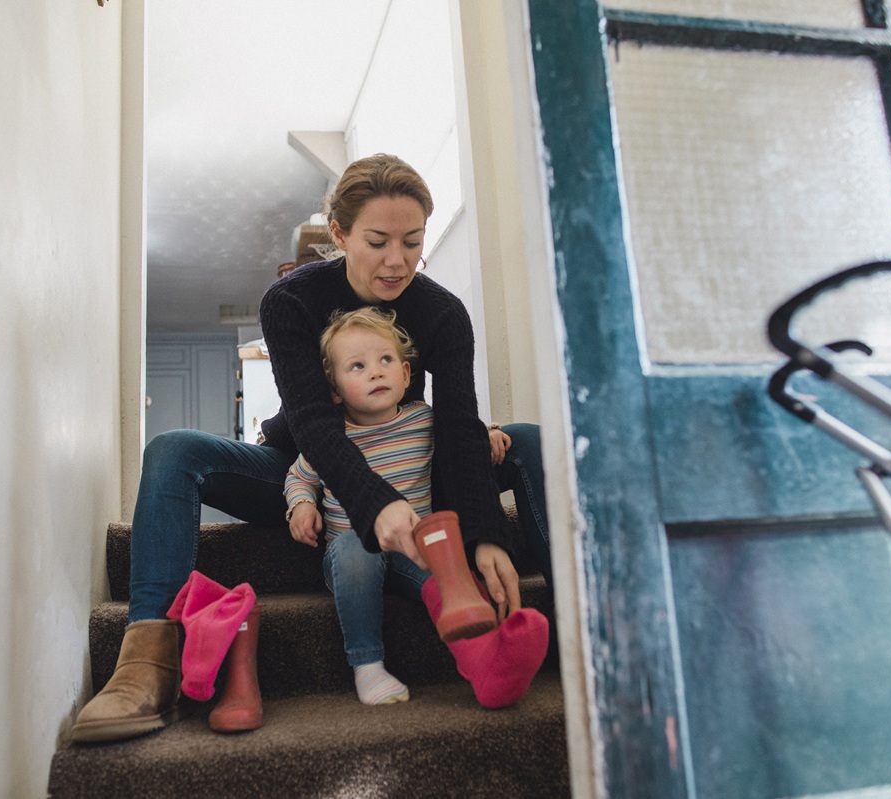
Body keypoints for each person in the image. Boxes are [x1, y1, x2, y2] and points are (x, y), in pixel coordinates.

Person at [70, 153, 551, 741]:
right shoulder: (291, 301)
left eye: (413, 240)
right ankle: (145, 661)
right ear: (342, 233)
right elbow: (315, 425)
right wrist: (373, 505)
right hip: (303, 466)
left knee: (525, 440)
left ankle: (581, 622)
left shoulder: (443, 313)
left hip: (410, 471)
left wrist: (484, 535)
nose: (397, 260)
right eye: (377, 241)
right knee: (172, 450)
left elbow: (453, 426)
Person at [285, 307, 435, 705]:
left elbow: (463, 438)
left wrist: (486, 433)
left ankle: (476, 646)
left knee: (445, 578)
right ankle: (368, 666)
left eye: (386, 360)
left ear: (405, 374)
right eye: (357, 366)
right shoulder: (331, 439)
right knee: (355, 547)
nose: (375, 371)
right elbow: (298, 476)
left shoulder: (425, 422)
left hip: (413, 550)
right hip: (353, 552)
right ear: (334, 391)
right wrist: (301, 505)